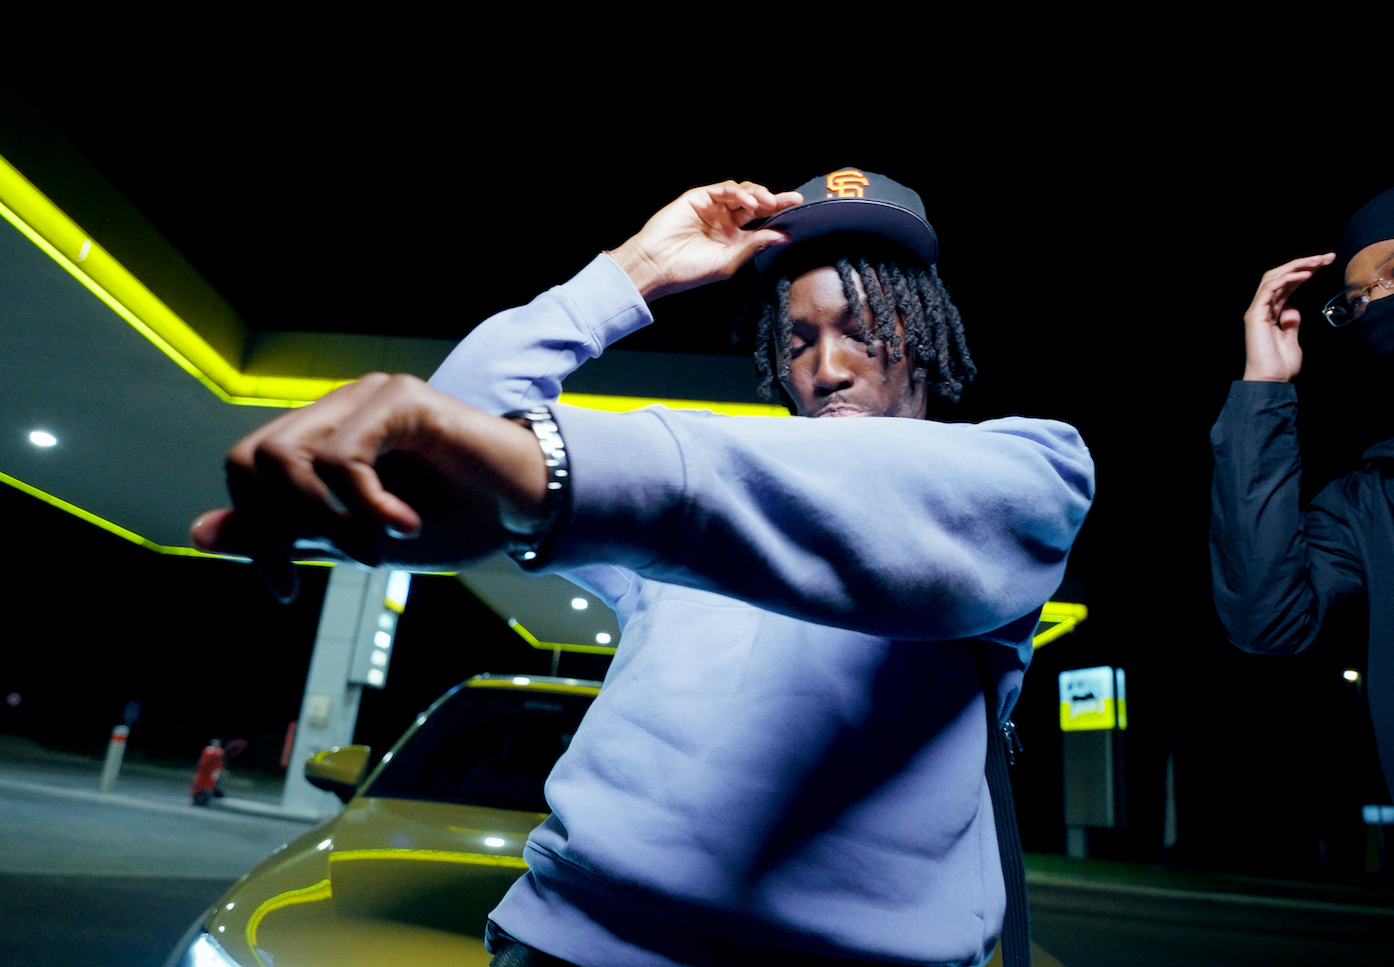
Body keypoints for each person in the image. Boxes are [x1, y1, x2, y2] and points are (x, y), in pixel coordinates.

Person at [192, 168, 1094, 967]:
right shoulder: (698, 497)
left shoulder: (1027, 471)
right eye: (796, 340)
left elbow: (835, 492)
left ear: (926, 331)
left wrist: (543, 470)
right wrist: (635, 270)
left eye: (862, 330)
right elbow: (459, 426)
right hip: (568, 941)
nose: (825, 368)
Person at [1210, 186, 1394, 804]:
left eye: (1392, 273)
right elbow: (1267, 619)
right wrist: (1263, 389)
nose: (1376, 302)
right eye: (1359, 298)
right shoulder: (1370, 502)